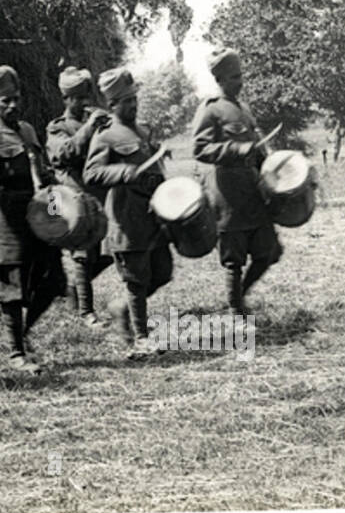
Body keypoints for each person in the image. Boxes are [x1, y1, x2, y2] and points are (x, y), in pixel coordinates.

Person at [0, 62, 66, 374]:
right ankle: (16, 352)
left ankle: (22, 333)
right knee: (11, 287)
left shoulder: (27, 130)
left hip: (36, 213)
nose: (12, 105)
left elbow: (43, 169)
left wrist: (55, 198)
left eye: (15, 98)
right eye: (4, 100)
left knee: (53, 280)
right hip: (5, 217)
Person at [82, 68, 173, 359]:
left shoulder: (143, 130)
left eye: (134, 99)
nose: (133, 105)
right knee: (136, 278)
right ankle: (140, 337)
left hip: (154, 215)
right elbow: (91, 173)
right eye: (126, 102)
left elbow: (150, 163)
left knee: (162, 271)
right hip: (127, 217)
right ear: (113, 105)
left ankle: (122, 307)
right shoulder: (106, 136)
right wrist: (124, 172)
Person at [191, 49, 282, 316]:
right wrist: (235, 150)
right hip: (227, 193)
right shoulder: (211, 109)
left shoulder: (243, 109)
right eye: (233, 77)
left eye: (240, 75)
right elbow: (200, 149)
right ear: (219, 78)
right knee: (234, 259)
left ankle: (239, 295)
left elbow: (256, 148)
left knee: (269, 251)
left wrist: (270, 160)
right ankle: (235, 310)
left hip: (252, 190)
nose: (239, 81)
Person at [45, 65, 112, 327]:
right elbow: (64, 154)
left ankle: (74, 290)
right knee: (83, 255)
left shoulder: (92, 120)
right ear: (66, 99)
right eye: (78, 98)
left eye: (86, 96)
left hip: (98, 195)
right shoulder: (57, 127)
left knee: (105, 254)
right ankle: (87, 312)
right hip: (74, 196)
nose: (84, 102)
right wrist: (89, 129)